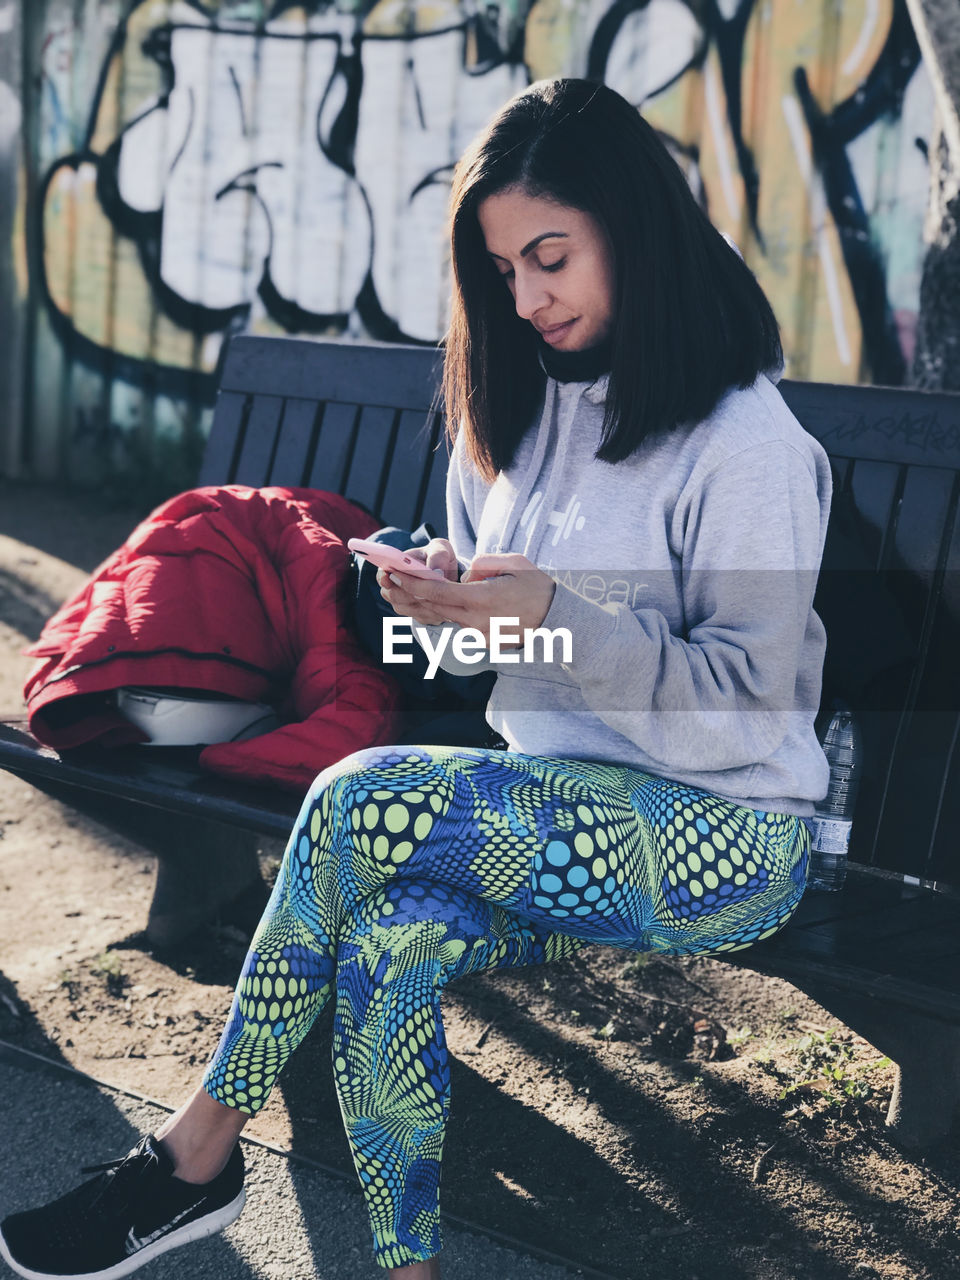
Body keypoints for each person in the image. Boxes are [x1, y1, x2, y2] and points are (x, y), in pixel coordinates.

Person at [0, 78, 831, 1280]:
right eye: (503, 271)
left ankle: (193, 1156)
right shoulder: (533, 415)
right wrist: (445, 607)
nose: (528, 295)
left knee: (355, 797)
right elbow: (528, 666)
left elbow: (743, 707)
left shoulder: (748, 445)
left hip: (733, 839)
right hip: (553, 818)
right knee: (388, 940)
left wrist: (552, 610)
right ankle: (405, 1268)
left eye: (551, 255)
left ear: (634, 231)